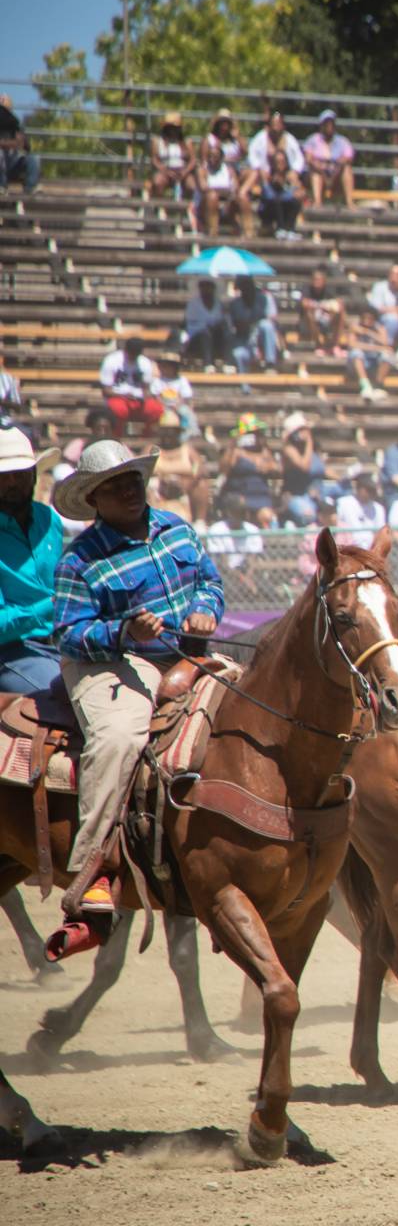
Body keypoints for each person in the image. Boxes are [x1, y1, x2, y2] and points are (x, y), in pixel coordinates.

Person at [46, 440, 223, 960]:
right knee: (120, 735)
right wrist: (125, 632)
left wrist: (205, 611)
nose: (129, 491)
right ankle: (95, 873)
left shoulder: (177, 529)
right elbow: (69, 635)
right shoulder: (80, 559)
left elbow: (210, 583)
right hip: (112, 662)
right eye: (115, 485)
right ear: (93, 499)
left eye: (133, 480)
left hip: (186, 654)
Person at [0, 428, 61, 693]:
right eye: (4, 476)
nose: (12, 482)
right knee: (63, 692)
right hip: (10, 651)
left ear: (34, 475)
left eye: (20, 473)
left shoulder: (49, 519)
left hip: (63, 640)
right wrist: (50, 607)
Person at [218, 415, 281, 525]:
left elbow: (278, 468)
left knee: (268, 516)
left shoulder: (264, 451)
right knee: (240, 508)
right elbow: (223, 469)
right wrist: (232, 445)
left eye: (256, 433)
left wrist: (269, 466)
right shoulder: (235, 452)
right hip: (239, 494)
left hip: (261, 496)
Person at [148, 411, 207, 524]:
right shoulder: (152, 449)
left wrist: (185, 484)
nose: (167, 435)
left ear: (178, 432)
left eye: (171, 432)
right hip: (158, 491)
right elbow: (141, 468)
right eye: (164, 432)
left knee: (201, 485)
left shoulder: (188, 450)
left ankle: (200, 522)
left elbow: (198, 469)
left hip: (184, 491)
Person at [98, 337, 163, 435]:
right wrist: (124, 395)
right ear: (126, 350)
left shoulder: (144, 362)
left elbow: (146, 389)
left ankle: (147, 437)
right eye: (131, 353)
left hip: (138, 400)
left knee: (156, 409)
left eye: (136, 353)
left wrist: (145, 397)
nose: (133, 356)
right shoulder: (112, 360)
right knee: (118, 410)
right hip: (118, 397)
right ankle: (116, 437)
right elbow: (106, 390)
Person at [279, 412, 326, 524]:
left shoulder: (312, 450)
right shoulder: (289, 450)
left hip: (314, 493)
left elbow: (322, 469)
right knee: (308, 516)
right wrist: (309, 442)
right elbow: (304, 467)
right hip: (295, 496)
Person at [226, 276, 280, 373]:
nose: (247, 289)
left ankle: (270, 363)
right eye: (243, 287)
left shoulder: (264, 298)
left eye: (248, 286)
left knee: (266, 325)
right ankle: (242, 379)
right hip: (244, 338)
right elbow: (235, 326)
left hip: (260, 337)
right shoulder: (236, 303)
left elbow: (271, 318)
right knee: (239, 354)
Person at [303, 109, 356, 206]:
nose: (329, 126)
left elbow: (349, 158)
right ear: (321, 125)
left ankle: (349, 202)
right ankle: (317, 203)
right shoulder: (313, 140)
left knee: (347, 169)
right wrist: (319, 167)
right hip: (318, 174)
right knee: (315, 173)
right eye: (326, 123)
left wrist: (339, 164)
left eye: (331, 123)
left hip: (336, 175)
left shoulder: (342, 141)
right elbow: (308, 158)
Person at [181, 279, 235, 369]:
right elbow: (190, 323)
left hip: (216, 336)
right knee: (205, 333)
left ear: (213, 288)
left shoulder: (218, 303)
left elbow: (223, 320)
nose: (206, 289)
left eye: (209, 287)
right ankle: (208, 364)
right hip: (196, 336)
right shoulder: (193, 303)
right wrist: (205, 326)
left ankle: (228, 363)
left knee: (227, 332)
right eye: (203, 287)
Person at [147, 111, 197, 202]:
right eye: (170, 127)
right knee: (158, 182)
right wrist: (166, 171)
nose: (172, 130)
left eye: (175, 128)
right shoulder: (158, 141)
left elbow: (193, 160)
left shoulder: (187, 142)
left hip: (183, 171)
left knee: (192, 185)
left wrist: (185, 172)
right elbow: (154, 160)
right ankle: (159, 206)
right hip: (165, 170)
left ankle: (187, 207)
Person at [256, 145, 303, 239]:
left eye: (282, 162)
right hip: (269, 208)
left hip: (284, 207)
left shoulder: (290, 176)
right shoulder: (267, 175)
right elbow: (268, 196)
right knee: (277, 200)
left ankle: (290, 230)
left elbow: (298, 193)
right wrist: (276, 185)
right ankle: (280, 229)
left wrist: (289, 187)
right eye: (277, 162)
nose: (280, 165)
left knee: (295, 202)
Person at [300, 265, 348, 354]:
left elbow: (339, 303)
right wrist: (320, 306)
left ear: (324, 281)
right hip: (311, 319)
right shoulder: (307, 288)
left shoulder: (328, 289)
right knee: (309, 314)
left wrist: (330, 307)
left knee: (341, 313)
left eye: (319, 280)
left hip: (326, 317)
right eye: (315, 279)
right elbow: (304, 303)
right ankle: (318, 345)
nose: (316, 282)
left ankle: (335, 345)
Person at [0, 95, 42, 196]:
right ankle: (2, 187)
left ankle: (30, 188)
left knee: (34, 158)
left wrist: (9, 143)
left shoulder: (15, 124)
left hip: (13, 164)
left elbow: (23, 144)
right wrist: (11, 143)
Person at [335, 471, 387, 547]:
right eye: (369, 490)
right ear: (359, 488)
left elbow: (380, 533)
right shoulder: (343, 503)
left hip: (371, 549)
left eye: (373, 490)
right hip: (349, 547)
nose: (372, 493)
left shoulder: (378, 508)